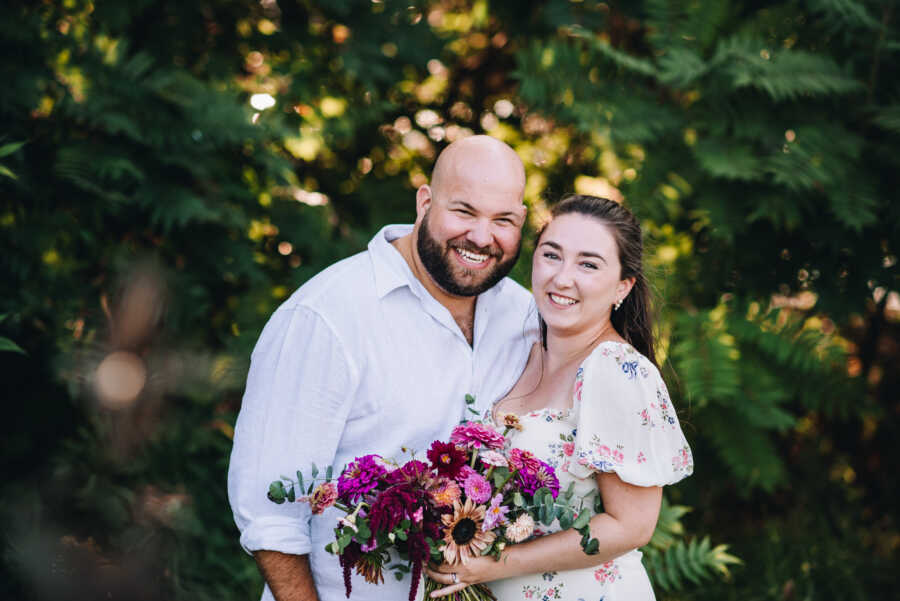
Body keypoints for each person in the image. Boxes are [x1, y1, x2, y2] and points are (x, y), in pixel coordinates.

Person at [227, 135, 538, 601]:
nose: (481, 236)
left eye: (503, 220)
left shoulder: (525, 316)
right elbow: (270, 519)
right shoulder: (326, 316)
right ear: (425, 202)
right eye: (465, 211)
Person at [426, 195, 694, 600]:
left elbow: (631, 526)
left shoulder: (617, 371)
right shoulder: (519, 350)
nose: (563, 278)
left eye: (588, 264)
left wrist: (493, 565)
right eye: (552, 255)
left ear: (623, 286)